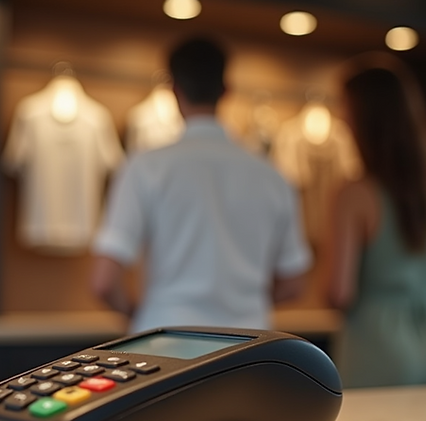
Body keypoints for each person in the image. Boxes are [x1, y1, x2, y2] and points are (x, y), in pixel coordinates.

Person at [90, 36, 311, 333]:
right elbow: (294, 284)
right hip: (248, 341)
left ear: (174, 89)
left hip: (166, 338)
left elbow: (104, 282)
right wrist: (244, 305)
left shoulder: (145, 168)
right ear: (226, 90)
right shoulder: (272, 175)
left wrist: (140, 313)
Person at [326, 53, 426, 388]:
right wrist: (420, 292)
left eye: (346, 108)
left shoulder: (354, 193)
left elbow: (339, 292)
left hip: (373, 351)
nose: (342, 119)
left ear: (365, 118)